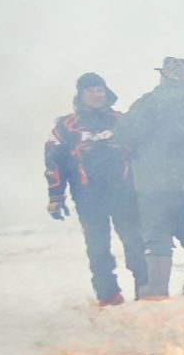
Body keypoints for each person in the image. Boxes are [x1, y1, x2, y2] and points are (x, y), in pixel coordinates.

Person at [116, 56, 184, 299]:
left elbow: (123, 134)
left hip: (156, 182)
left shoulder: (149, 102)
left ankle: (157, 291)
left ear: (165, 76)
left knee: (157, 236)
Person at [43, 71, 147, 305]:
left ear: (106, 92)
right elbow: (53, 161)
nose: (96, 94)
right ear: (81, 95)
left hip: (124, 193)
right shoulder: (66, 126)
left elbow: (143, 152)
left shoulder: (122, 120)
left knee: (134, 241)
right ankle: (108, 295)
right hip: (88, 196)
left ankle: (146, 289)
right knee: (98, 246)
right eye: (90, 90)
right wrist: (56, 196)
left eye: (100, 89)